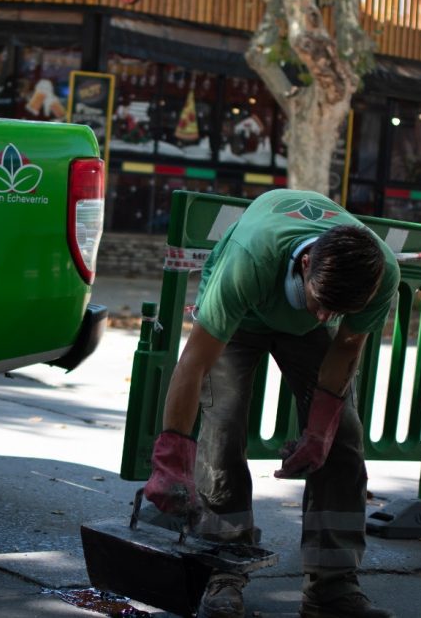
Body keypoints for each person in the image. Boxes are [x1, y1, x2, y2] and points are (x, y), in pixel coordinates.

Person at [143, 188, 400, 618]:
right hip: (243, 317)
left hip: (299, 310)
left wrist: (318, 432)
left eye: (336, 311)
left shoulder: (379, 273)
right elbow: (194, 363)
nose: (324, 318)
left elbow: (346, 346)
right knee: (222, 427)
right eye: (321, 303)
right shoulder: (250, 259)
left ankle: (331, 589)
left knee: (344, 439)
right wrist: (170, 461)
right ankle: (221, 569)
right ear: (304, 264)